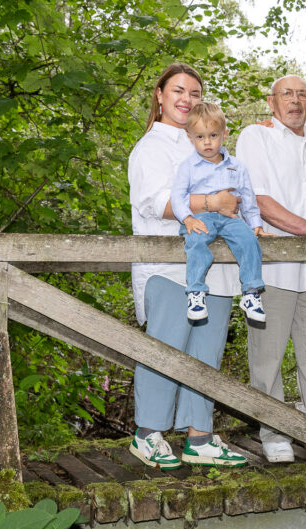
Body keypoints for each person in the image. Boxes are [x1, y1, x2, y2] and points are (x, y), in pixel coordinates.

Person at [128, 63, 247, 469]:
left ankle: (200, 438)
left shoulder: (206, 145)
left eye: (195, 94)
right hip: (169, 270)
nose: (186, 99)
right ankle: (147, 434)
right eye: (178, 91)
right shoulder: (152, 147)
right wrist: (213, 202)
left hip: (214, 269)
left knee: (205, 354)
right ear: (159, 95)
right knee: (165, 350)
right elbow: (155, 203)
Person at [236, 75, 306, 463]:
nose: (295, 101)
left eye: (301, 94)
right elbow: (259, 200)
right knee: (267, 356)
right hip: (272, 268)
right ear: (271, 100)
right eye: (287, 94)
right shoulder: (255, 137)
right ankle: (274, 433)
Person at [171, 102, 270, 323]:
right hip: (201, 217)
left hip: (230, 218)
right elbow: (177, 197)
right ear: (190, 137)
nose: (207, 142)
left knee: (248, 241)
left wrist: (256, 224)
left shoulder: (236, 166)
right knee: (195, 240)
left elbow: (248, 198)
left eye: (213, 135)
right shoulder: (187, 167)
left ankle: (251, 292)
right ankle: (196, 292)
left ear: (224, 134)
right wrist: (187, 218)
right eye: (200, 137)